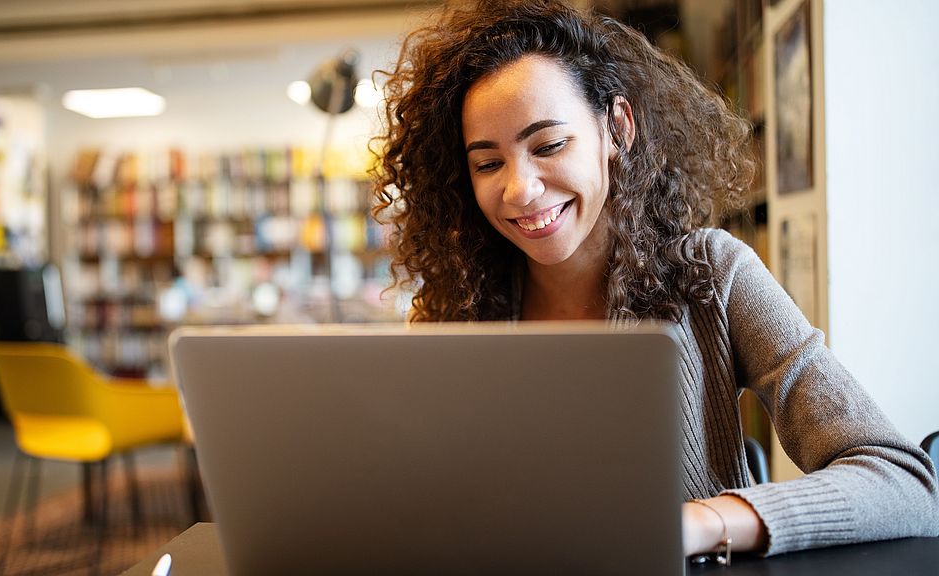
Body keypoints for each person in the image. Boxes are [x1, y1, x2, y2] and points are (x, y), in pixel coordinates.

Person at [370, 0, 939, 561]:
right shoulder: (458, 307)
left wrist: (700, 522)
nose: (519, 190)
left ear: (616, 128)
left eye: (548, 145)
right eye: (488, 163)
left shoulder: (713, 275)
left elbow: (905, 483)